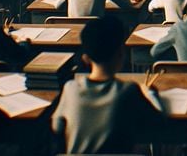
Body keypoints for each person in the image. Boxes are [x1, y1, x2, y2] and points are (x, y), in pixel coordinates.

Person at [52, 16, 163, 154]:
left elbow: (57, 126)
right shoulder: (129, 90)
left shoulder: (70, 88)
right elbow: (158, 123)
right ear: (121, 54)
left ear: (85, 58)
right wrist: (149, 93)